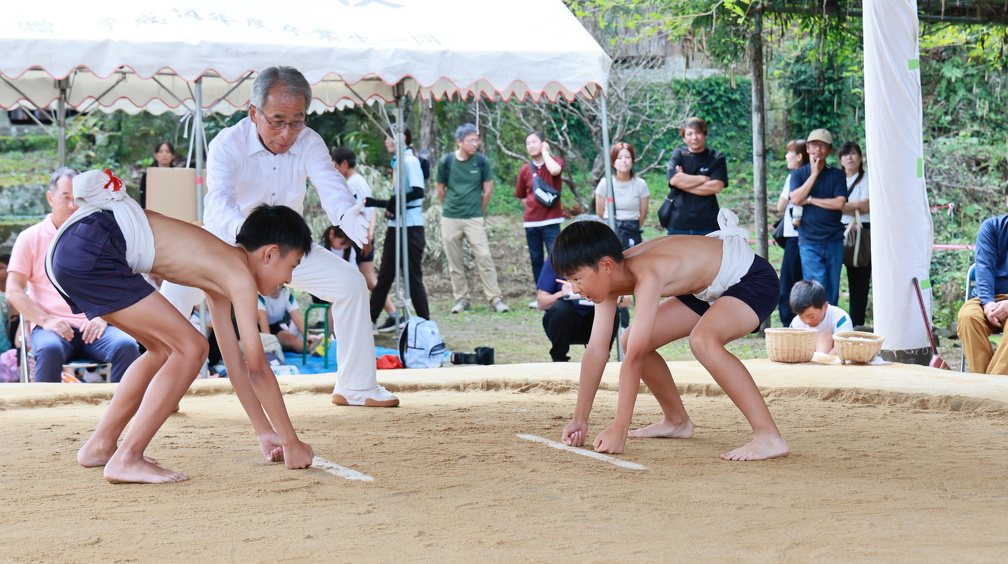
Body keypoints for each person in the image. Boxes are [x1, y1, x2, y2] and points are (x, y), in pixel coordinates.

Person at [47, 168, 315, 483]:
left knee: (162, 350)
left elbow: (237, 366)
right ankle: (128, 458)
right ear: (270, 254)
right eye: (292, 266)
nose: (289, 279)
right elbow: (258, 369)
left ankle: (101, 445)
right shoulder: (239, 277)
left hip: (75, 247)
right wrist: (291, 442)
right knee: (192, 347)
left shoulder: (224, 273)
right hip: (95, 246)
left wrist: (265, 432)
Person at [159, 66, 398, 407]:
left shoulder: (309, 141)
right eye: (277, 120)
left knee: (350, 283)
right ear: (253, 112)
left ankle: (357, 386)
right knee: (174, 296)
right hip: (225, 244)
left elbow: (330, 185)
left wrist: (347, 214)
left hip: (285, 251)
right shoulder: (228, 142)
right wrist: (249, 237)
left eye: (297, 120)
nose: (287, 133)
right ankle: (160, 391)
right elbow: (219, 203)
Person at [552, 212, 789, 460]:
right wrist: (579, 420)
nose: (575, 290)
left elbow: (634, 358)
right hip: (705, 288)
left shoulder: (648, 272)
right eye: (569, 280)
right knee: (629, 339)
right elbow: (596, 351)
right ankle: (677, 421)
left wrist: (619, 429)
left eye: (577, 279)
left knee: (703, 340)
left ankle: (769, 437)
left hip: (751, 279)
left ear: (606, 266)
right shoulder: (608, 278)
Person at [6, 167, 141, 383]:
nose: (72, 205)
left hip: (96, 325)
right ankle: (46, 405)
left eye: (77, 199)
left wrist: (102, 317)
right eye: (65, 197)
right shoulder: (30, 237)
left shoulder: (98, 235)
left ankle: (123, 403)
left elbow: (114, 284)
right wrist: (46, 320)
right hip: (51, 327)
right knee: (49, 348)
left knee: (126, 345)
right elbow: (13, 290)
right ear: (50, 198)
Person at [436, 123, 509, 314]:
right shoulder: (446, 161)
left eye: (477, 140)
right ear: (459, 142)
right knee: (454, 261)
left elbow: (488, 191)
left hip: (474, 218)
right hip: (450, 217)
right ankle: (461, 299)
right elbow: (440, 190)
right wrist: (450, 208)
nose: (475, 144)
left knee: (484, 256)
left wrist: (478, 211)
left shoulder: (482, 161)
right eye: (471, 140)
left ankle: (495, 298)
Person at [367, 128, 430, 328]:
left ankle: (425, 325)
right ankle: (368, 322)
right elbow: (400, 197)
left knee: (412, 277)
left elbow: (418, 192)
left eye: (389, 137)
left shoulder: (409, 161)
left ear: (402, 138)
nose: (386, 141)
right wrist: (384, 204)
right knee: (385, 275)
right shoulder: (398, 161)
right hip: (396, 225)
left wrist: (393, 202)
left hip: (411, 226)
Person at [330, 146, 396, 329]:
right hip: (364, 236)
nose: (334, 169)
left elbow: (359, 212)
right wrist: (370, 233)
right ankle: (391, 314)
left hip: (360, 237)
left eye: (335, 165)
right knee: (368, 279)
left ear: (344, 163)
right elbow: (370, 210)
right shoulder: (361, 182)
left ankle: (391, 314)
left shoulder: (352, 184)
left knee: (369, 279)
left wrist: (366, 237)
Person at [788, 128, 848, 307]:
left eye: (823, 146)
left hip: (834, 239)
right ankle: (817, 322)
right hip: (809, 240)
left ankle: (831, 322)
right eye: (814, 145)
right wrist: (813, 174)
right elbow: (796, 199)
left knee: (833, 288)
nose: (818, 149)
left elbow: (839, 203)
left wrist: (810, 200)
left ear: (829, 150)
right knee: (816, 288)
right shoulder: (798, 174)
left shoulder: (837, 174)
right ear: (807, 148)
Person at [958, 181, 1008, 374]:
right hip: (987, 298)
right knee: (968, 317)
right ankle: (988, 383)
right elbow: (984, 268)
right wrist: (988, 303)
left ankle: (987, 385)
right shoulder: (992, 227)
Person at [537, 255, 618, 362]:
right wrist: (562, 294)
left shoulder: (601, 258)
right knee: (562, 307)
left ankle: (602, 358)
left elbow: (625, 300)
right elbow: (541, 302)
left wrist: (611, 296)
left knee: (609, 309)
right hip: (563, 323)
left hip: (594, 320)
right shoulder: (556, 258)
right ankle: (559, 359)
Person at [515, 131, 565, 294]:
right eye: (528, 143)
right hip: (531, 222)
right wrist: (532, 206)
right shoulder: (525, 170)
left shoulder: (555, 162)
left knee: (555, 257)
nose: (531, 146)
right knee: (536, 259)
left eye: (534, 142)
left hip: (551, 221)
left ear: (543, 143)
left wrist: (545, 153)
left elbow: (555, 171)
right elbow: (521, 195)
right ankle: (541, 294)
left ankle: (558, 292)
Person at [664, 117, 728, 235]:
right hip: (678, 222)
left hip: (708, 223)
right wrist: (704, 179)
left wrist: (683, 183)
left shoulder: (716, 157)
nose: (694, 137)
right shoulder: (678, 154)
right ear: (684, 138)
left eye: (698, 132)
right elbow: (674, 180)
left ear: (705, 134)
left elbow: (716, 187)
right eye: (689, 134)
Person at [775, 139, 810, 326]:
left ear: (799, 156)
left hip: (795, 237)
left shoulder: (794, 177)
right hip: (811, 235)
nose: (786, 156)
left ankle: (788, 323)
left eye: (790, 153)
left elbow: (780, 206)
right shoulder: (813, 176)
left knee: (788, 282)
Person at [838, 141, 871, 328]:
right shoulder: (837, 178)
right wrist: (852, 206)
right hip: (837, 230)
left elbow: (865, 206)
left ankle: (857, 322)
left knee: (859, 277)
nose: (849, 158)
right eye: (845, 154)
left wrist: (838, 206)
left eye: (853, 153)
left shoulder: (867, 179)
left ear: (860, 157)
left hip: (861, 231)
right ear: (840, 160)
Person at [595, 141, 649, 250]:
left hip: (632, 231)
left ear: (632, 160)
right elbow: (600, 213)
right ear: (613, 162)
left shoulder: (640, 184)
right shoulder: (605, 183)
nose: (624, 161)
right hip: (610, 231)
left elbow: (643, 213)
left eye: (627, 157)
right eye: (619, 158)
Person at [788, 280, 852, 355]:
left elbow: (844, 344)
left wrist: (824, 359)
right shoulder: (796, 323)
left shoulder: (840, 318)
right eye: (801, 317)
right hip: (806, 357)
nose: (807, 321)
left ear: (825, 307)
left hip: (834, 358)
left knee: (824, 335)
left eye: (811, 316)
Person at [257, 287, 312, 353]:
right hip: (256, 328)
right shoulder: (259, 296)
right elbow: (262, 320)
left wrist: (308, 337)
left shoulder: (287, 296)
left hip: (274, 326)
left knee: (292, 339)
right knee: (266, 344)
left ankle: (313, 349)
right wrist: (269, 343)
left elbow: (297, 317)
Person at [138, 141, 177, 208]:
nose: (164, 154)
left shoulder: (177, 175)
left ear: (173, 155)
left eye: (168, 152)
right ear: (155, 155)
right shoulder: (148, 175)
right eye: (160, 152)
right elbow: (143, 197)